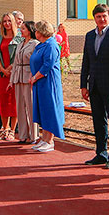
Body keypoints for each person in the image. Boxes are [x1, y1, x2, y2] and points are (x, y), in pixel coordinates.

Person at [80, 4, 109, 169]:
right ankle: (101, 153)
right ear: (94, 18)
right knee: (98, 121)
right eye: (98, 16)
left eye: (104, 16)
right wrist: (83, 85)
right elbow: (86, 61)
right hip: (94, 86)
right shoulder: (90, 36)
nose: (102, 19)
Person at [30, 20, 64, 152]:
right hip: (40, 82)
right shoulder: (41, 45)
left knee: (49, 109)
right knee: (42, 110)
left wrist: (35, 77)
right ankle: (44, 138)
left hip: (48, 82)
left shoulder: (51, 45)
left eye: (37, 30)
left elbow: (47, 65)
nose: (35, 32)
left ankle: (50, 140)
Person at [0, 13, 19, 139]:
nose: (7, 23)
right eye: (4, 21)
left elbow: (20, 55)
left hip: (15, 73)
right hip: (2, 74)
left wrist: (11, 67)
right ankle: (5, 128)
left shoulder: (19, 38)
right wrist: (2, 69)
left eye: (9, 21)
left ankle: (13, 130)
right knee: (2, 100)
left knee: (13, 101)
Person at [10, 21, 39, 143]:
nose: (21, 30)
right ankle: (22, 135)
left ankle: (34, 135)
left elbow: (36, 62)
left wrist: (34, 77)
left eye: (23, 28)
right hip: (18, 77)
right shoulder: (20, 44)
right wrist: (12, 80)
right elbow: (15, 63)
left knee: (31, 106)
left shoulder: (35, 44)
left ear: (30, 30)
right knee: (20, 107)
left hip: (29, 77)